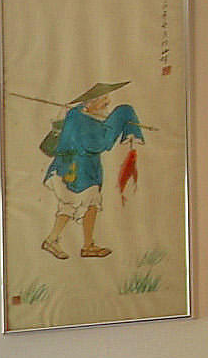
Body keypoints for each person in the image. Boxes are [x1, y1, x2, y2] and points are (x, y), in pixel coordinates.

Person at [40, 82, 143, 259]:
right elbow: (97, 144)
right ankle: (54, 240)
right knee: (73, 204)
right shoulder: (78, 118)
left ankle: (85, 245)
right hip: (73, 170)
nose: (107, 102)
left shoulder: (88, 116)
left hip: (87, 170)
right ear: (89, 103)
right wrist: (113, 126)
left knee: (91, 204)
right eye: (103, 99)